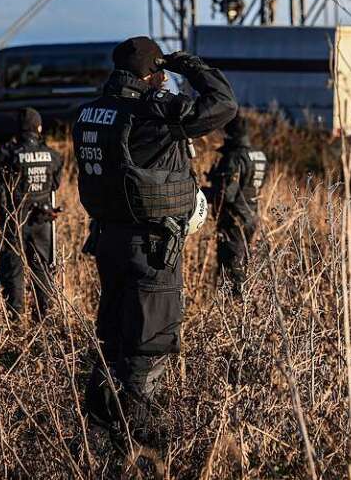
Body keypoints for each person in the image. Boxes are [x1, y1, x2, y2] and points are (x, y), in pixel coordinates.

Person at [74, 36, 237, 437]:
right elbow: (224, 104)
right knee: (149, 344)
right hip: (152, 248)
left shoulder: (91, 112)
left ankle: (96, 434)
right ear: (153, 74)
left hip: (108, 241)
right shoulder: (152, 111)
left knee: (112, 340)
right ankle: (138, 445)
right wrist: (191, 66)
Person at [0, 107, 63, 322]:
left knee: (13, 272)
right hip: (42, 221)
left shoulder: (5, 155)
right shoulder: (52, 156)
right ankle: (44, 319)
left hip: (13, 221)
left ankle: (16, 322)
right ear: (39, 128)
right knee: (42, 269)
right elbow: (55, 184)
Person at [206, 114, 267, 295]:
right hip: (252, 216)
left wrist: (201, 193)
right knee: (244, 262)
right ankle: (244, 308)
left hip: (233, 220)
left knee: (231, 266)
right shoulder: (259, 155)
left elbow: (227, 194)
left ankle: (233, 306)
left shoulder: (234, 157)